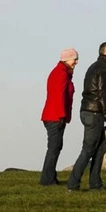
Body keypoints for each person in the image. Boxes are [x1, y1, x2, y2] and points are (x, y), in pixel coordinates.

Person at [67, 40, 106, 191]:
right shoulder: (104, 67)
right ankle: (72, 184)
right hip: (94, 112)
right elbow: (102, 93)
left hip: (88, 111)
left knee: (101, 148)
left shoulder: (95, 66)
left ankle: (95, 184)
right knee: (88, 149)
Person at [39, 48, 78, 185]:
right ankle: (47, 179)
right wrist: (62, 115)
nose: (76, 62)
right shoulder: (61, 74)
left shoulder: (61, 72)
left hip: (53, 115)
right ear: (66, 60)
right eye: (74, 59)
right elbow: (59, 96)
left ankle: (50, 177)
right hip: (55, 116)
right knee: (54, 147)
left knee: (55, 147)